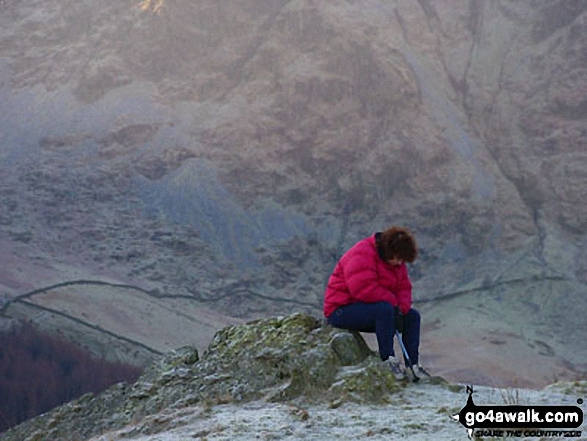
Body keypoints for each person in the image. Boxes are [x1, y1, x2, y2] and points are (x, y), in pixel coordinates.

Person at [323, 226, 428, 379]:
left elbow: (404, 288)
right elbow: (363, 289)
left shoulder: (395, 262)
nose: (400, 263)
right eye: (398, 258)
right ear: (389, 251)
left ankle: (413, 365)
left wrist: (401, 309)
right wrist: (394, 306)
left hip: (372, 309)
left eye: (402, 260)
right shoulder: (362, 253)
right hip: (340, 310)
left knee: (412, 316)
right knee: (384, 310)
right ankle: (388, 360)